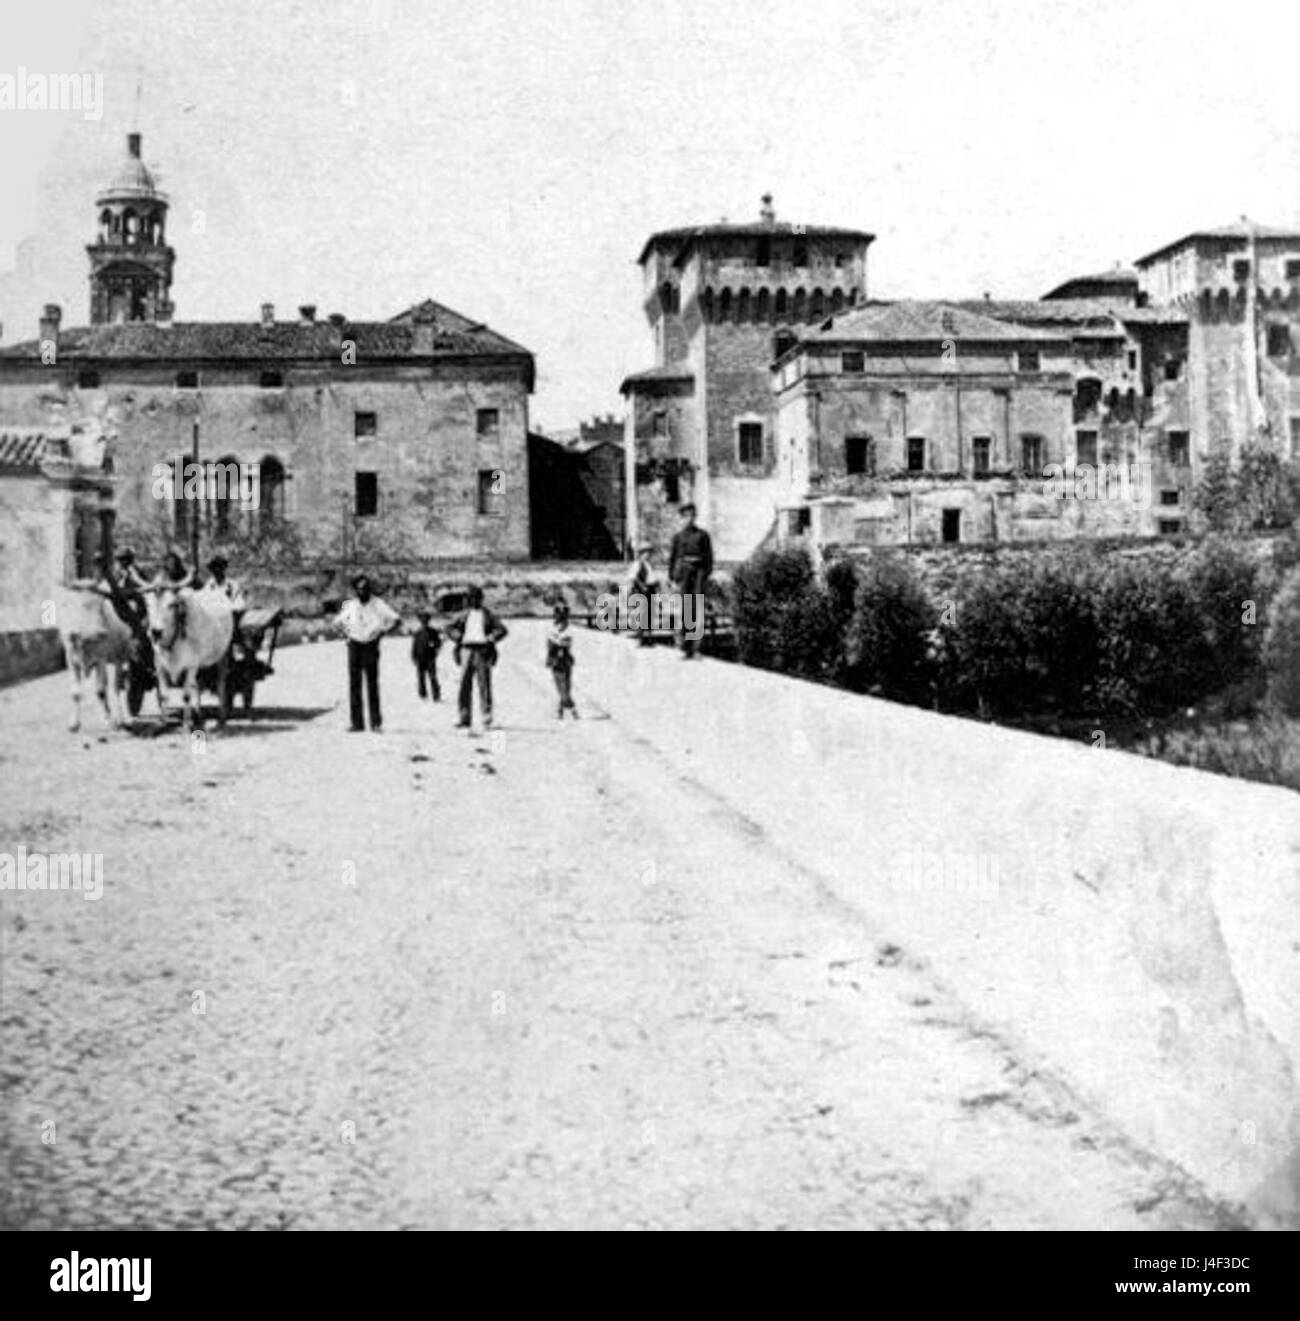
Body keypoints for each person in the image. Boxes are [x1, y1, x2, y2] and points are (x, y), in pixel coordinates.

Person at [334, 573, 401, 731]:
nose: (362, 591)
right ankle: (357, 723)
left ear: (369, 589)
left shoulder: (378, 604)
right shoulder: (350, 605)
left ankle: (376, 723)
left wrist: (382, 633)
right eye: (359, 589)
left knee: (372, 685)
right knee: (354, 685)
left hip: (371, 645)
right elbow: (336, 623)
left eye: (365, 588)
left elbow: (397, 620)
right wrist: (346, 635)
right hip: (354, 646)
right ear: (355, 590)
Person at [446, 585, 508, 732]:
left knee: (484, 684)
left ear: (481, 599)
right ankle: (464, 717)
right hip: (466, 649)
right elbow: (449, 628)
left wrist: (491, 638)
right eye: (471, 598)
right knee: (464, 685)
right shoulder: (463, 615)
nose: (474, 601)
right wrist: (458, 637)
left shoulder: (488, 615)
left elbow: (502, 629)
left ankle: (486, 717)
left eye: (476, 598)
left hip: (482, 651)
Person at [668, 502, 713, 658]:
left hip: (698, 575)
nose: (689, 519)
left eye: (692, 516)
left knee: (697, 610)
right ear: (682, 518)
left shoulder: (703, 535)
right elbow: (673, 558)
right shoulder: (678, 537)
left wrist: (704, 575)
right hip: (684, 576)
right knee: (686, 610)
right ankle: (684, 648)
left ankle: (695, 648)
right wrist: (673, 578)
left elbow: (709, 558)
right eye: (686, 516)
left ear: (695, 517)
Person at [546, 601, 578, 719]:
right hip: (554, 658)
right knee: (559, 684)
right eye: (558, 614)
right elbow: (550, 642)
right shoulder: (552, 627)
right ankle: (565, 707)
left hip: (564, 658)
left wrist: (557, 641)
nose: (560, 617)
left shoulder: (569, 628)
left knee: (565, 685)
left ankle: (567, 706)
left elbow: (567, 641)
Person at [626, 541, 658, 646]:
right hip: (641, 591)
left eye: (649, 553)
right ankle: (641, 638)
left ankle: (648, 638)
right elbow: (633, 577)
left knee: (649, 615)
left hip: (650, 590)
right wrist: (641, 586)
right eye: (646, 553)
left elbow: (652, 577)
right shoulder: (637, 564)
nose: (648, 555)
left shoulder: (649, 565)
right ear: (641, 554)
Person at [411, 611, 442, 702]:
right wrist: (413, 657)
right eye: (422, 621)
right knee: (421, 677)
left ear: (428, 621)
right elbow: (414, 646)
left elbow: (439, 643)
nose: (424, 622)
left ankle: (436, 695)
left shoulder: (433, 632)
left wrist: (434, 645)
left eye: (425, 620)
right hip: (420, 658)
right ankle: (423, 695)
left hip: (430, 658)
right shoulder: (417, 633)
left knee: (433, 677)